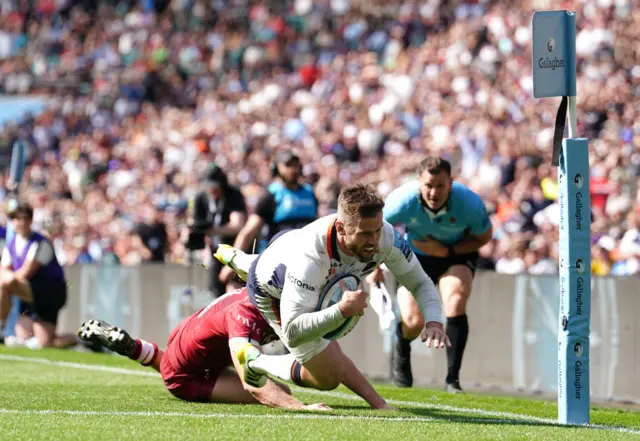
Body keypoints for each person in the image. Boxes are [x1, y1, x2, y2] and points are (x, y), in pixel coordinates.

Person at [215, 183, 449, 406]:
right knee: (326, 379)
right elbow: (293, 332)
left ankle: (238, 258)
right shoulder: (311, 257)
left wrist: (434, 320)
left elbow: (420, 282)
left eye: (377, 230)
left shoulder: (386, 237)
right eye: (364, 234)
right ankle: (255, 362)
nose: (373, 242)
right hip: (272, 287)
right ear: (340, 228)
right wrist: (340, 311)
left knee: (311, 287)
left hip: (293, 252)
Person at [76, 288, 333, 411]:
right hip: (186, 374)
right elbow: (253, 383)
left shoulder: (248, 292)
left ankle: (133, 348)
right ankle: (133, 349)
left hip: (184, 336)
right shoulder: (247, 314)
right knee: (280, 390)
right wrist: (298, 406)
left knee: (177, 361)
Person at [369, 156, 493, 392]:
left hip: (455, 255)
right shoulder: (401, 200)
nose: (434, 193)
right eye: (428, 186)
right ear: (419, 183)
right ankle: (402, 346)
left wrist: (448, 250)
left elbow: (484, 237)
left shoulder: (469, 203)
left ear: (451, 183)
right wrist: (373, 267)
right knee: (414, 322)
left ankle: (452, 380)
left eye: (440, 186)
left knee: (456, 299)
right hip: (417, 257)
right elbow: (375, 230)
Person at [219, 150, 317, 285]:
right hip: (277, 263)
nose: (293, 169)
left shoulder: (309, 193)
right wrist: (231, 262)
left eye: (296, 165)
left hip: (306, 260)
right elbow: (249, 231)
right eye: (288, 165)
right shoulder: (271, 195)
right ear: (276, 168)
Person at [0, 203, 77, 348]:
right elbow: (4, 270)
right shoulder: (11, 245)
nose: (20, 223)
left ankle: (82, 340)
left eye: (24, 219)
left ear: (30, 221)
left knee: (44, 343)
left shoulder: (41, 243)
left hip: (48, 294)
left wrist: (7, 279)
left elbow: (24, 274)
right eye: (16, 219)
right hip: (28, 294)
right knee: (25, 340)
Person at [190, 164, 247, 297]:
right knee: (216, 293)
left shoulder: (233, 195)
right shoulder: (201, 198)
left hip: (236, 250)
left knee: (234, 291)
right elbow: (196, 224)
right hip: (215, 253)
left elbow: (237, 225)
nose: (212, 190)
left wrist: (213, 229)